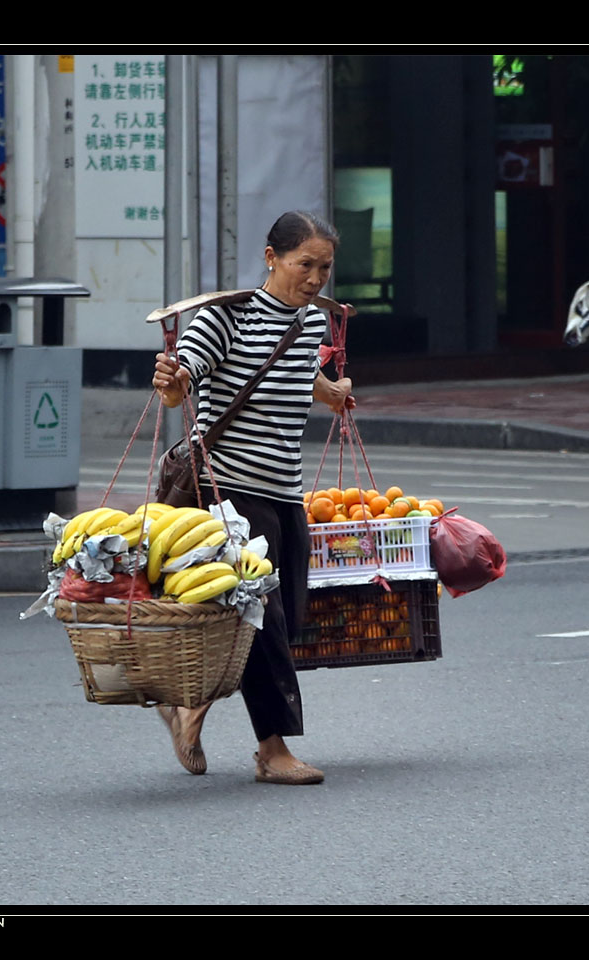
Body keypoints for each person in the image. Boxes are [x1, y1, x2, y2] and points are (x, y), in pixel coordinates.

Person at [151, 211, 354, 785]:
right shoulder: (226, 317)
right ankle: (273, 749)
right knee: (263, 619)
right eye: (304, 265)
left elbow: (290, 373)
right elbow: (182, 380)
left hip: (285, 490)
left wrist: (331, 393)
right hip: (228, 488)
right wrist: (170, 382)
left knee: (278, 617)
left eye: (324, 268)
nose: (315, 278)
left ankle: (190, 707)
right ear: (271, 258)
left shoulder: (310, 323)